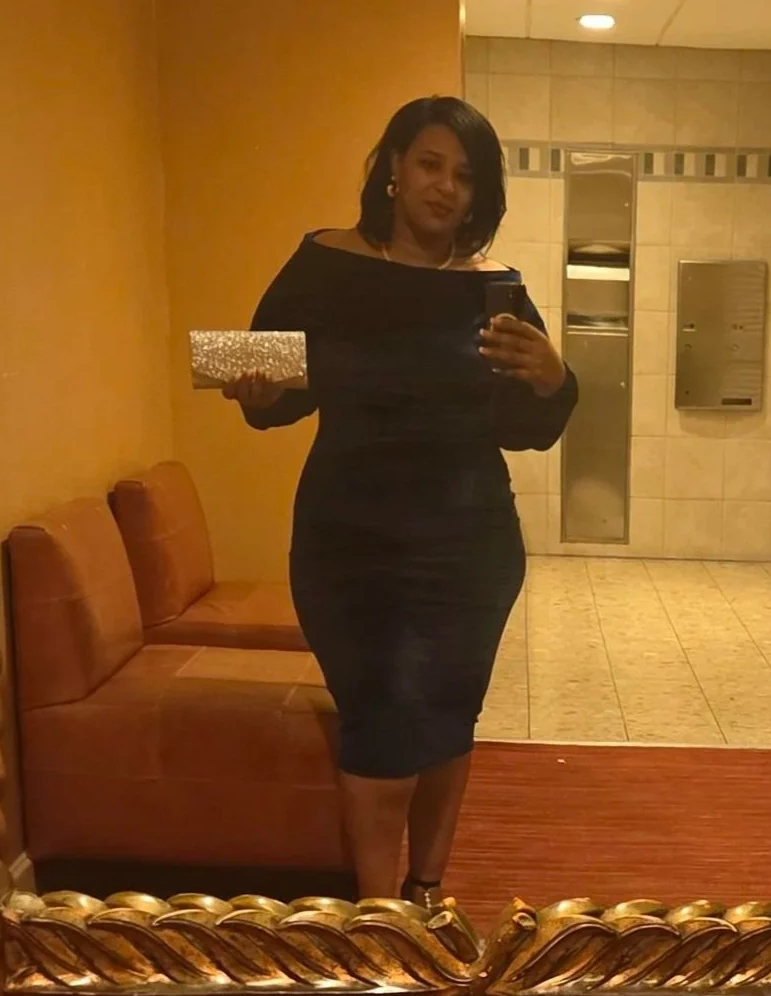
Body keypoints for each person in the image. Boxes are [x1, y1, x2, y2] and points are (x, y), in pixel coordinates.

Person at [222, 95, 578, 908]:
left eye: (464, 174)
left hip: (470, 544)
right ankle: (378, 920)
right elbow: (272, 392)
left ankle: (425, 890)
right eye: (429, 163)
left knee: (450, 713)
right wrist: (254, 388)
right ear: (391, 166)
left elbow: (525, 427)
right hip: (351, 542)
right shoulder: (324, 262)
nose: (444, 186)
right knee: (381, 723)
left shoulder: (495, 287)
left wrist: (557, 379)